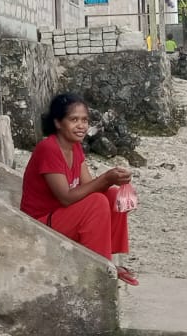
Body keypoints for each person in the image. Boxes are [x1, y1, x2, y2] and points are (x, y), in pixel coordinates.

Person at [19, 93, 138, 286]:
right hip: (40, 224)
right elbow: (66, 197)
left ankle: (108, 257)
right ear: (58, 123)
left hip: (61, 215)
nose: (81, 125)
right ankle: (99, 266)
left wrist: (115, 180)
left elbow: (89, 186)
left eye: (84, 120)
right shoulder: (48, 148)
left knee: (111, 195)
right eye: (74, 120)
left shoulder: (75, 147)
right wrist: (106, 178)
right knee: (97, 202)